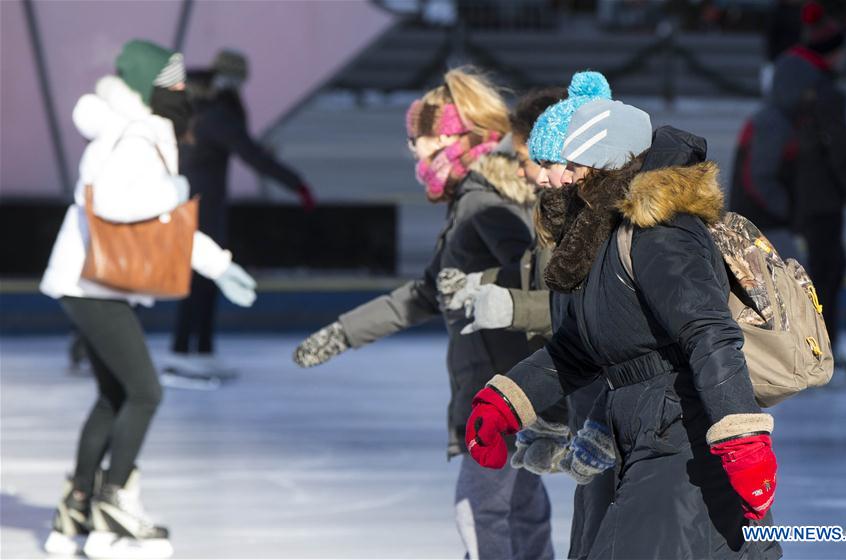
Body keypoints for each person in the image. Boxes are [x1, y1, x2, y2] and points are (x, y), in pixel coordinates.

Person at [465, 98, 783, 559]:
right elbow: (577, 349)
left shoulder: (662, 231)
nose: (565, 177)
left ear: (605, 163)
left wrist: (744, 441)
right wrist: (505, 402)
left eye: (574, 163)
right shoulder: (608, 236)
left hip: (681, 437)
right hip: (641, 430)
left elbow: (709, 332)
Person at [293, 67, 553, 559]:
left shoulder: (481, 200)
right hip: (505, 384)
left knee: (483, 508)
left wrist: (478, 290)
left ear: (454, 139)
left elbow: (530, 274)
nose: (415, 153)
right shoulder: (470, 202)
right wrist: (342, 333)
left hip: (500, 387)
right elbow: (425, 293)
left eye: (423, 142)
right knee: (518, 505)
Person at [40, 39, 257, 559]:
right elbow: (122, 206)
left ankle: (76, 508)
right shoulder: (136, 135)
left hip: (84, 280)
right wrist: (176, 190)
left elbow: (156, 229)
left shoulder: (133, 129)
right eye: (173, 85)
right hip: (94, 285)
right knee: (145, 393)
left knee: (114, 396)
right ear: (148, 89)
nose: (183, 94)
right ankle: (112, 515)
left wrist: (218, 264)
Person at [446, 72, 618, 560]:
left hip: (616, 414)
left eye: (535, 160)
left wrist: (508, 307)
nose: (531, 174)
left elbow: (597, 318)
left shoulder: (605, 224)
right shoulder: (555, 215)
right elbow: (572, 323)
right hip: (568, 400)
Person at [168, 49, 315, 380]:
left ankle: (196, 349)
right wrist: (297, 184)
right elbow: (252, 155)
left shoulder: (193, 111)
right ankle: (188, 350)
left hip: (188, 205)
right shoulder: (217, 115)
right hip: (202, 210)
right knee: (202, 280)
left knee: (199, 280)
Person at [774, 3, 846, 381]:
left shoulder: (792, 78)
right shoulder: (825, 90)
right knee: (828, 272)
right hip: (824, 199)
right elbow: (840, 153)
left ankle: (817, 348)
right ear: (833, 50)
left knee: (816, 272)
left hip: (798, 194)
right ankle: (822, 351)